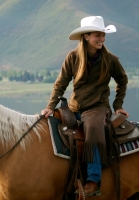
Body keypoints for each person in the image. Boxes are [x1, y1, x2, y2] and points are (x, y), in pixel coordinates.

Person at [41, 16, 129, 196]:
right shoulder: (72, 57)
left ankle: (93, 180)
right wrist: (51, 106)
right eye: (98, 35)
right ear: (86, 36)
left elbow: (122, 80)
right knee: (51, 126)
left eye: (103, 35)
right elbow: (61, 84)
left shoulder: (110, 59)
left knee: (93, 129)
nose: (102, 39)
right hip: (74, 107)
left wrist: (117, 104)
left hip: (98, 108)